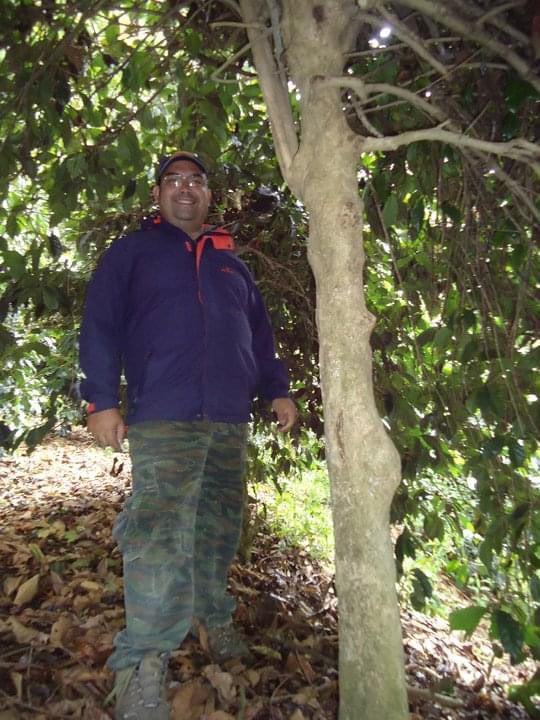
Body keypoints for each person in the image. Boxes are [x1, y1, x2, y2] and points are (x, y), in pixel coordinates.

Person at [79, 151, 297, 720]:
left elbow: (259, 336)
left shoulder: (232, 265)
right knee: (158, 536)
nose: (185, 188)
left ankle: (211, 616)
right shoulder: (132, 253)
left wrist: (277, 389)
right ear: (157, 194)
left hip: (228, 419)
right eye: (173, 180)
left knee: (218, 527)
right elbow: (99, 324)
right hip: (164, 414)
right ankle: (142, 663)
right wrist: (100, 400)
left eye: (195, 181)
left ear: (207, 195)